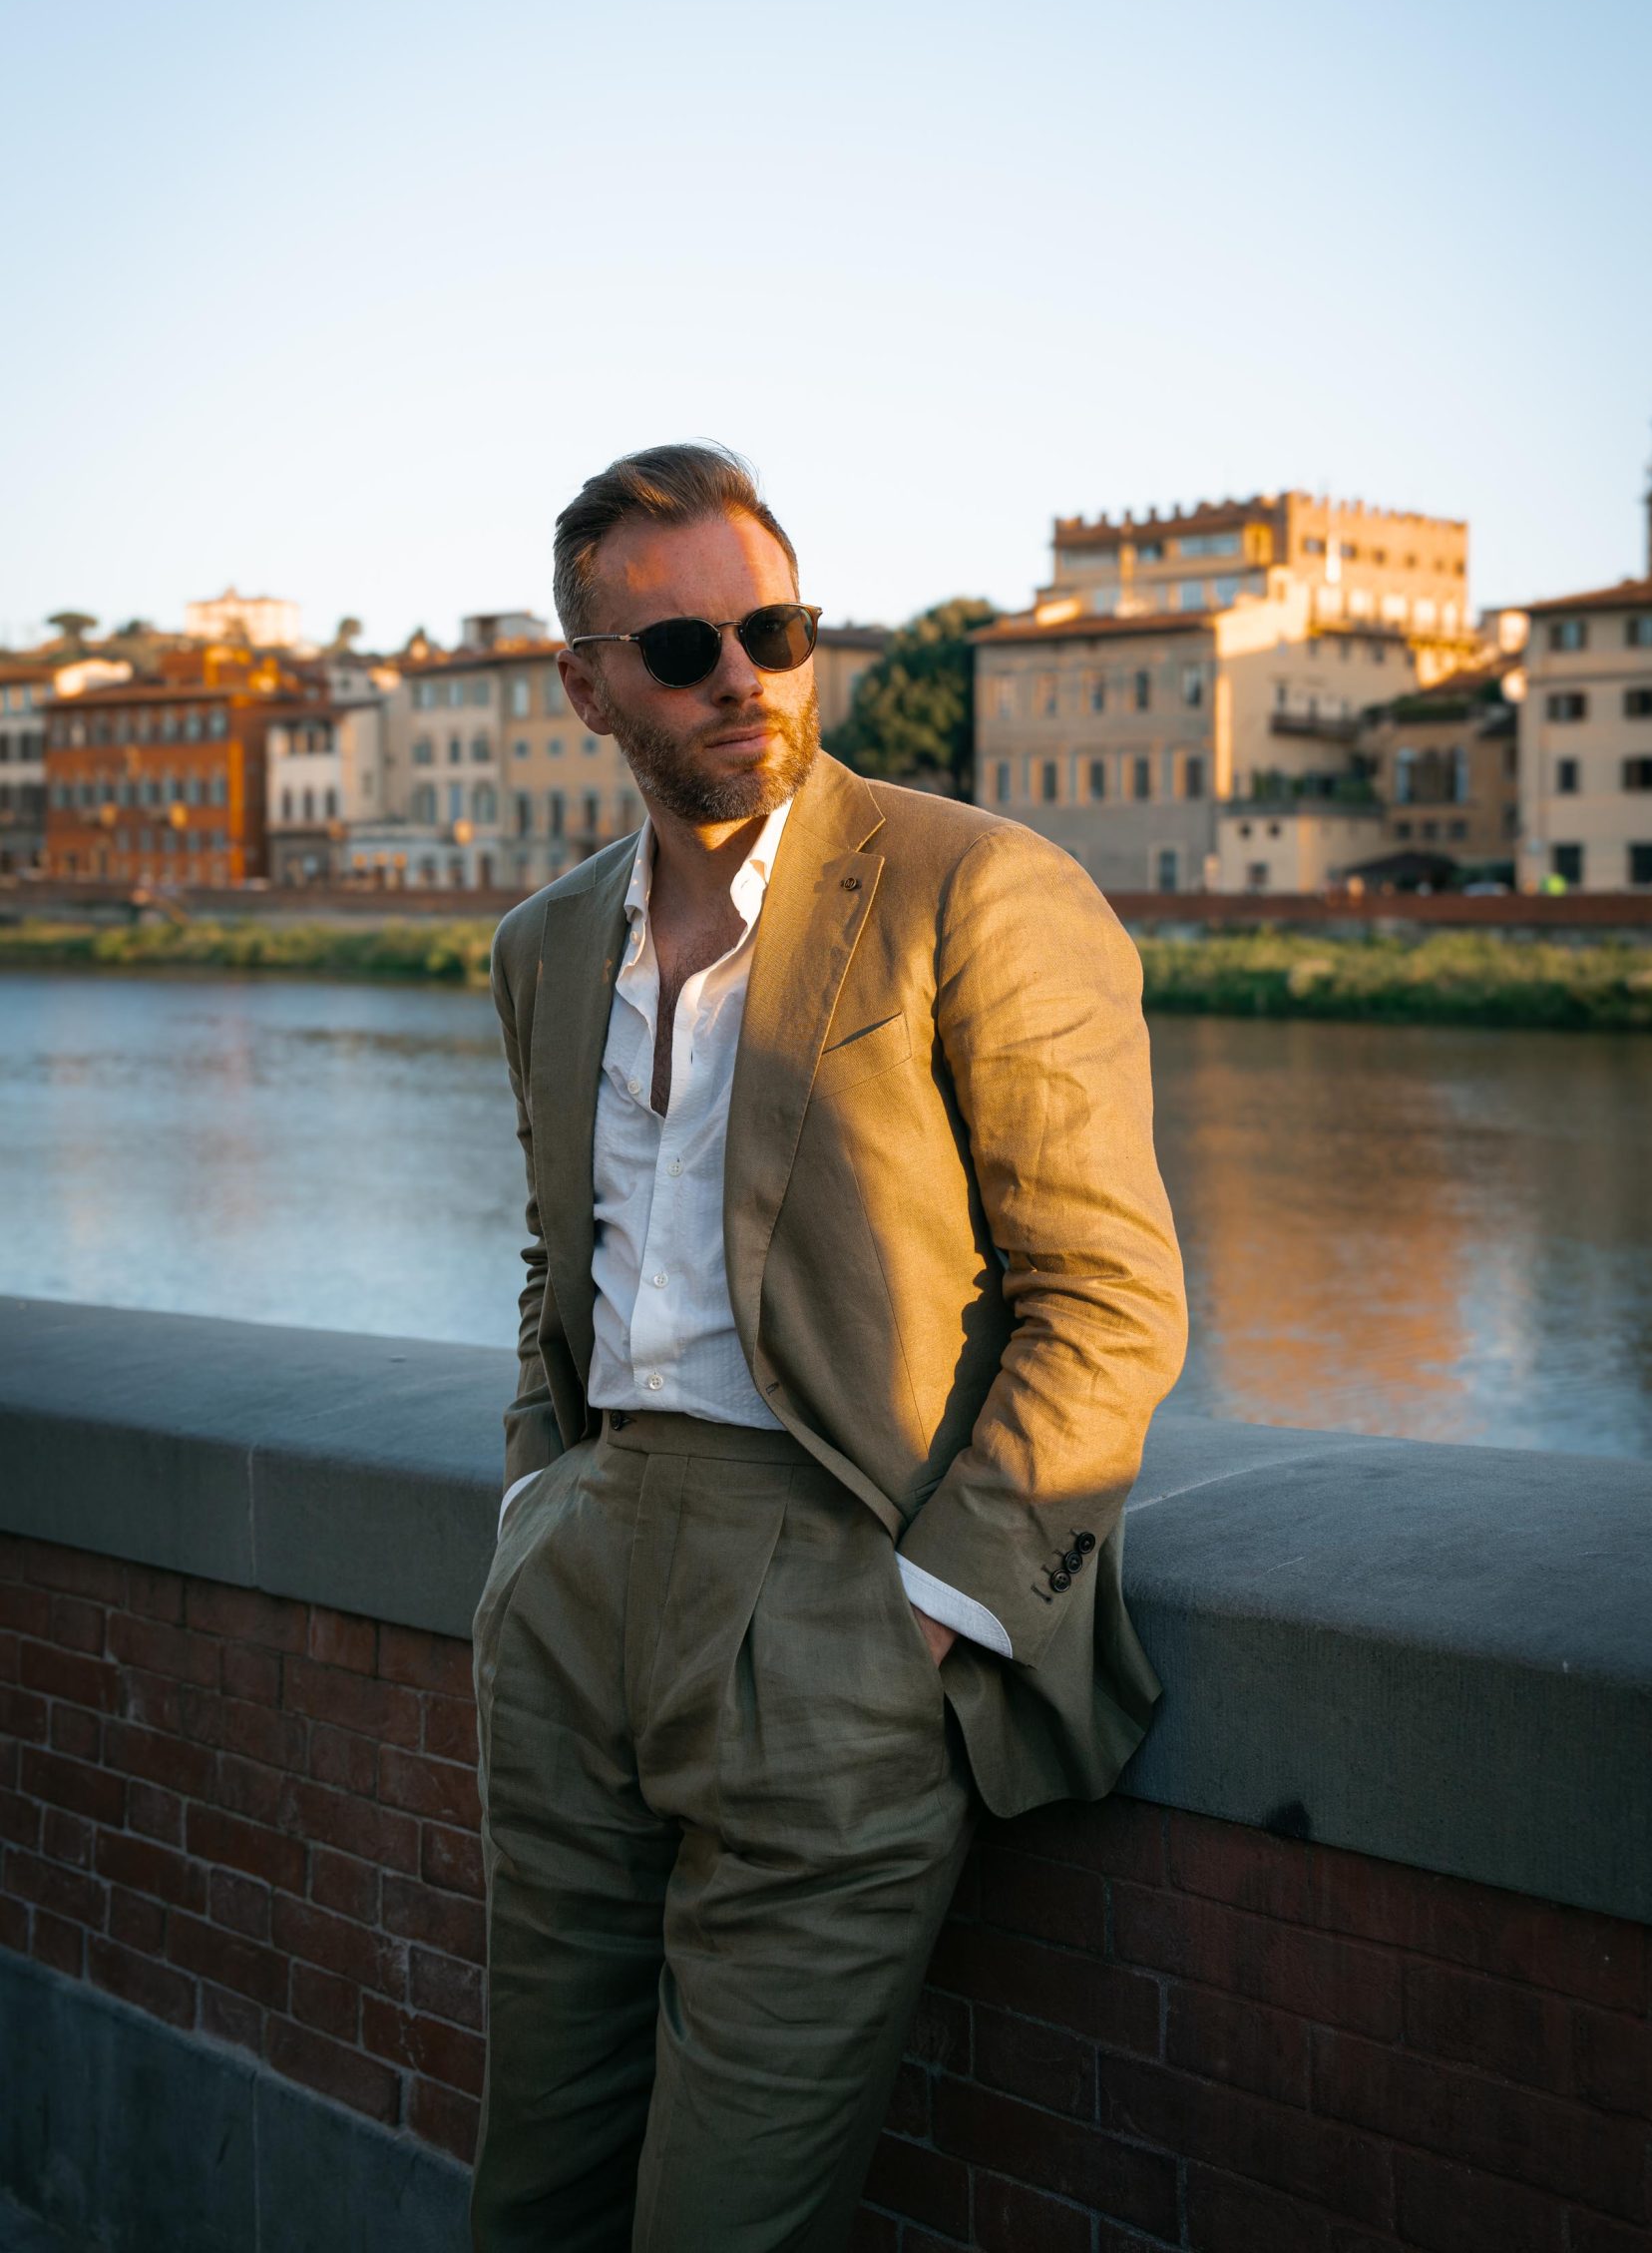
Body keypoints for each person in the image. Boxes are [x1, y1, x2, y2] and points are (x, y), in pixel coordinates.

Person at [472, 443, 1187, 2251]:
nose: (746, 677)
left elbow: (1107, 1297)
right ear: (587, 686)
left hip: (838, 1602)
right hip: (578, 1602)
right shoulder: (548, 945)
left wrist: (934, 1610)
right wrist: (533, 1506)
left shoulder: (977, 888)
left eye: (778, 629)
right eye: (687, 647)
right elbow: (566, 1253)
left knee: (723, 2220)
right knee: (535, 2186)